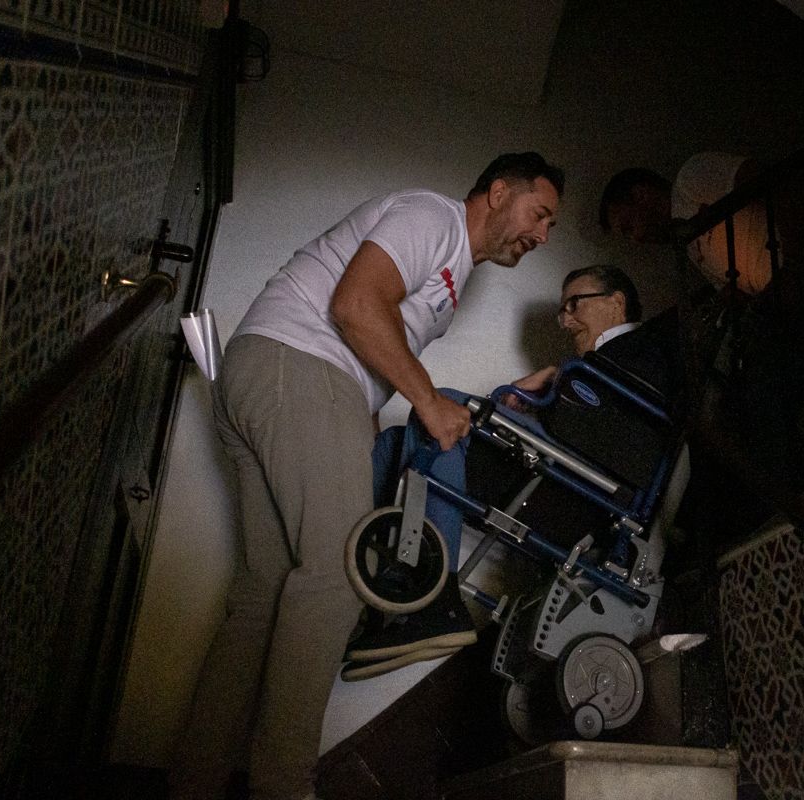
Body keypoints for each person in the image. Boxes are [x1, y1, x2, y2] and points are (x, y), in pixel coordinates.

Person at [171, 152, 564, 800]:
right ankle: (284, 788)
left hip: (266, 375)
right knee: (335, 572)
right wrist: (427, 400)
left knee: (263, 593)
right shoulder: (431, 216)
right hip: (298, 366)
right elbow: (355, 306)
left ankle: (193, 785)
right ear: (497, 192)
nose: (542, 234)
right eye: (540, 213)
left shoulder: (450, 274)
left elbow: (377, 340)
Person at [343, 266, 677, 680]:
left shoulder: (643, 350)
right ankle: (367, 589)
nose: (567, 319)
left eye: (575, 303)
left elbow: (608, 442)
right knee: (395, 441)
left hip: (579, 501)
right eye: (563, 310)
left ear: (616, 302)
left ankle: (434, 599)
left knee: (444, 407)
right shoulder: (599, 364)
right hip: (559, 476)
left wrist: (558, 379)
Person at [599, 153, 773, 295]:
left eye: (628, 227)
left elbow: (770, 179)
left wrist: (793, 265)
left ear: (640, 195)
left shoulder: (690, 180)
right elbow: (733, 290)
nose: (636, 238)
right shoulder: (687, 245)